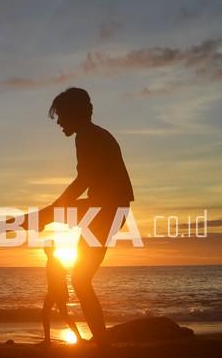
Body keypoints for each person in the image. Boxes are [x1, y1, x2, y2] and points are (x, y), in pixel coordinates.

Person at [18, 88, 134, 346]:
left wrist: (53, 210)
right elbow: (87, 182)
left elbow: (83, 180)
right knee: (81, 278)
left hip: (108, 207)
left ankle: (103, 343)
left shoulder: (88, 137)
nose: (58, 122)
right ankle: (102, 342)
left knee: (78, 275)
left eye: (61, 116)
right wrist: (54, 211)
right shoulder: (94, 134)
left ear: (74, 113)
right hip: (109, 206)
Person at [41, 245, 82, 345]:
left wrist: (63, 293)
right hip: (55, 291)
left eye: (47, 248)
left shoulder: (54, 261)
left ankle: (47, 340)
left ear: (51, 250)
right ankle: (78, 338)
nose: (45, 250)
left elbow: (61, 277)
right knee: (61, 314)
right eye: (45, 248)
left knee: (47, 313)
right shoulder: (52, 261)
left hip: (56, 292)